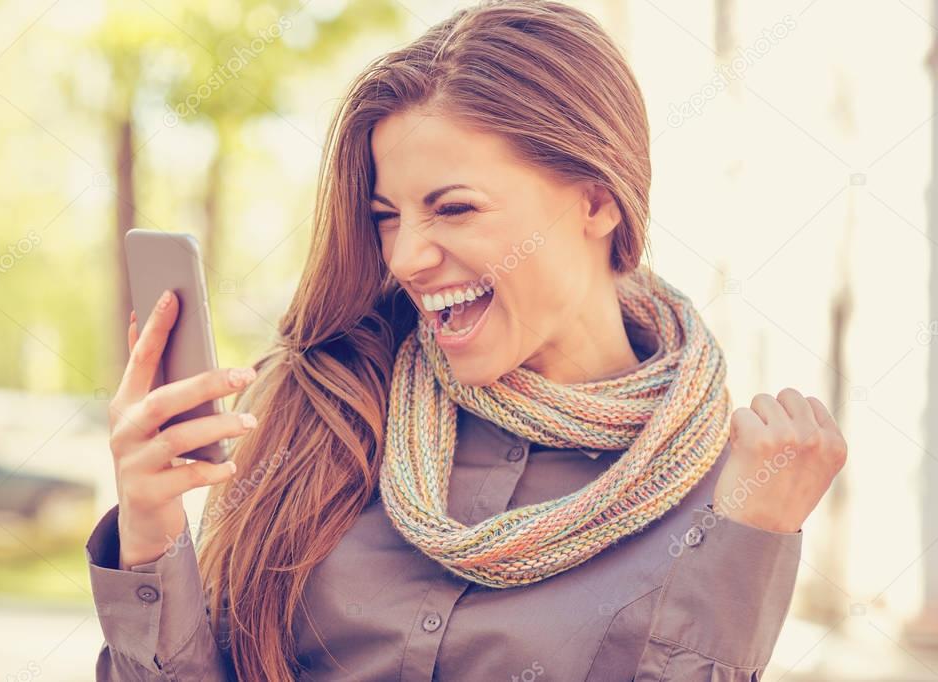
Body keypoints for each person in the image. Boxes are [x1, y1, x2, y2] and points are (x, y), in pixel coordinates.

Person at [86, 1, 848, 679]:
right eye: (387, 215)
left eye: (452, 208)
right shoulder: (320, 402)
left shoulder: (727, 486)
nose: (402, 257)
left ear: (596, 201)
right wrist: (151, 537)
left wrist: (750, 537)